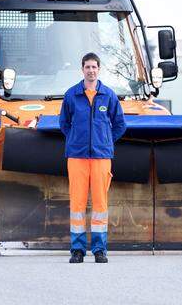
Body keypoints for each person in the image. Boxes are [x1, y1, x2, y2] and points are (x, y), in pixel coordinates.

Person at [59, 52, 127, 263]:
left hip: (101, 158)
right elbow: (64, 124)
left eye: (94, 67)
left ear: (99, 69)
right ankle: (77, 250)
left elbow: (119, 124)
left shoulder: (109, 96)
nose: (91, 71)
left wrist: (105, 141)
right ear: (82, 70)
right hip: (77, 157)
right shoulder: (71, 95)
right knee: (77, 205)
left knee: (100, 205)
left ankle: (99, 250)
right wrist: (76, 141)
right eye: (87, 67)